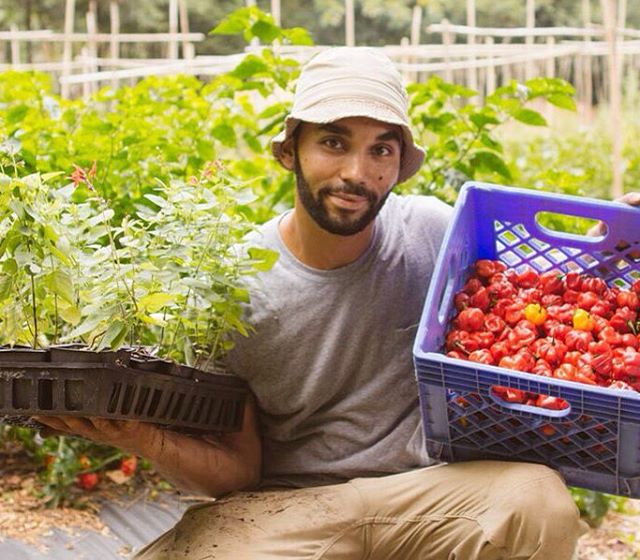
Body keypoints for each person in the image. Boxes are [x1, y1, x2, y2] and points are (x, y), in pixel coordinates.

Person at [39, 48, 599, 559]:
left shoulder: (434, 234)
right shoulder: (234, 284)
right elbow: (239, 468)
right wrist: (144, 437)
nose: (357, 173)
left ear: (399, 164)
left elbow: (564, 302)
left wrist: (626, 240)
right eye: (333, 142)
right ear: (290, 152)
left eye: (380, 149)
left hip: (429, 501)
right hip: (295, 510)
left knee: (537, 500)